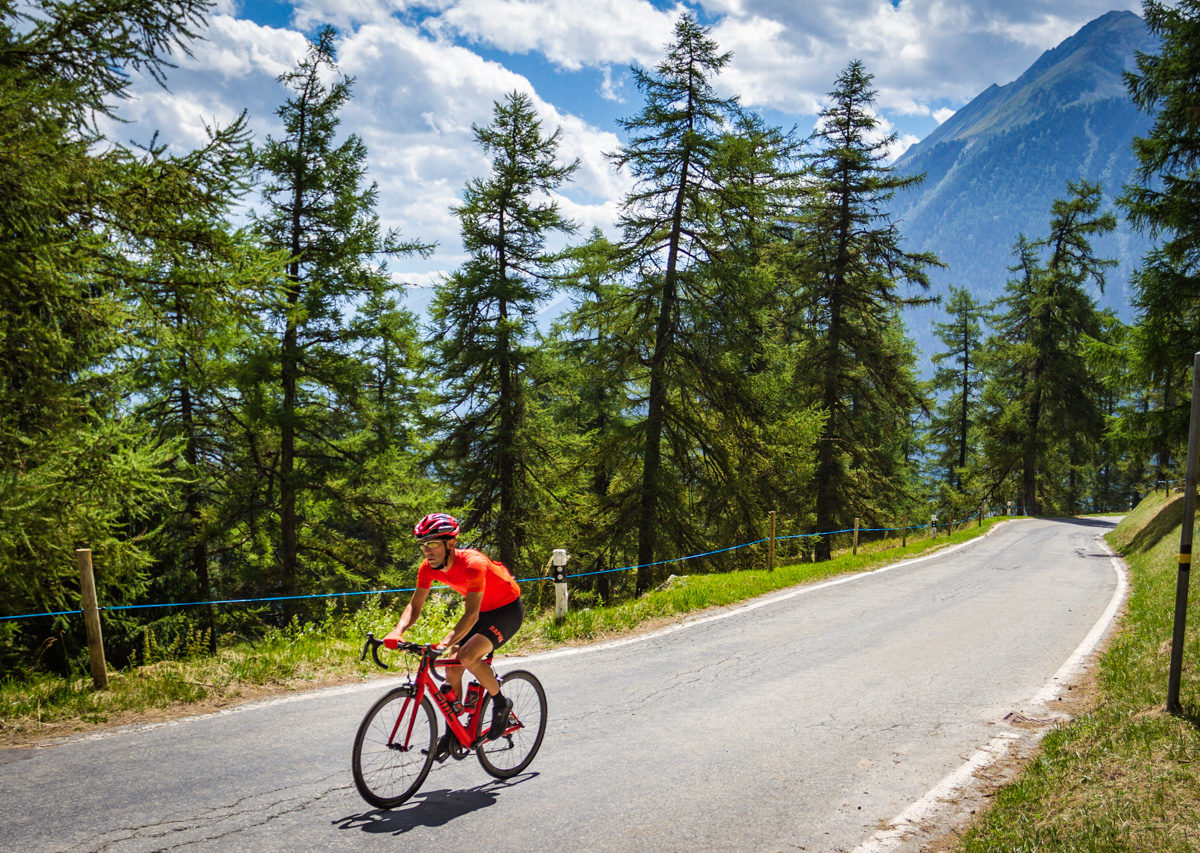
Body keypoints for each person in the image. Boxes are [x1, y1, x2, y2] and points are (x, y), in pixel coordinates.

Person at [383, 513, 523, 757]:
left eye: (433, 543)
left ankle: (501, 704)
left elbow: (470, 614)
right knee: (452, 668)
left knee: (467, 656)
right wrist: (398, 630)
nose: (427, 550)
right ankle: (454, 733)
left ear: (450, 544)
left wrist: (446, 642)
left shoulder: (473, 564)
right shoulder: (427, 568)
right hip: (482, 612)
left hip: (506, 610)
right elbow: (415, 606)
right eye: (423, 544)